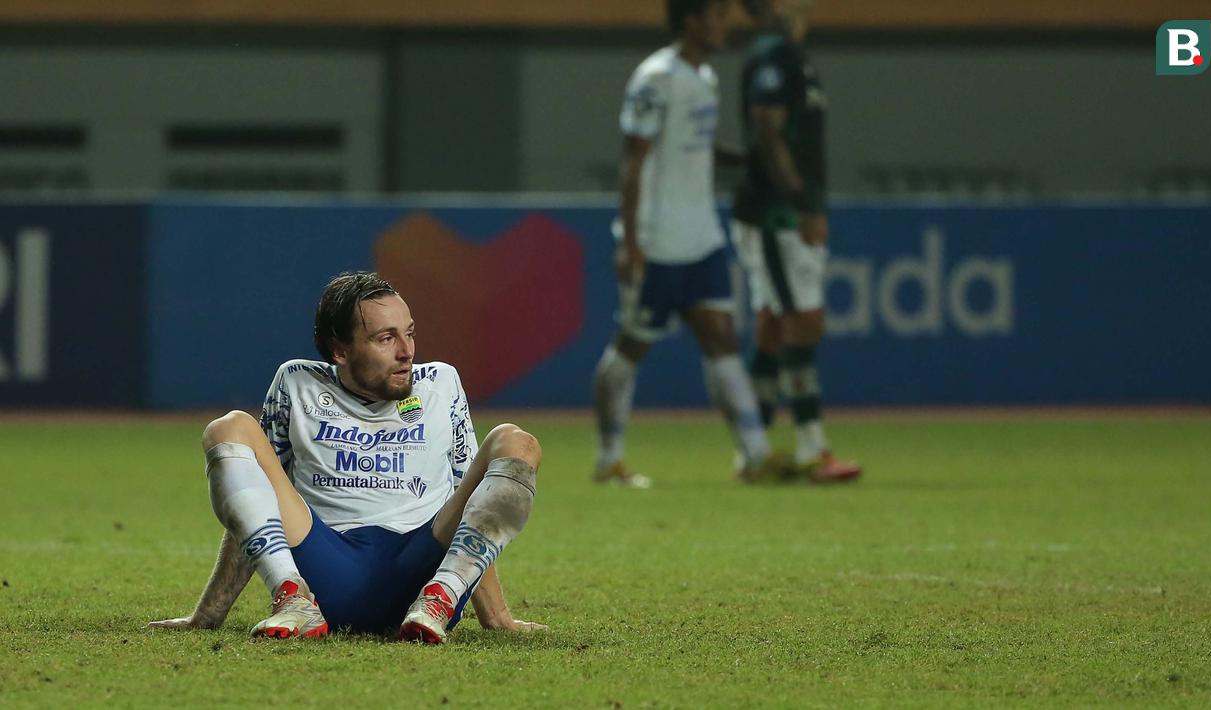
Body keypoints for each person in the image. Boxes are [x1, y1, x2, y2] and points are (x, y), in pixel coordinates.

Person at [149, 271, 544, 643]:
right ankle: (291, 597)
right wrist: (209, 614)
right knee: (229, 428)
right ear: (340, 350)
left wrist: (496, 616)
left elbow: (475, 505)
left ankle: (442, 595)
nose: (406, 352)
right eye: (386, 338)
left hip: (423, 573)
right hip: (325, 571)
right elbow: (254, 501)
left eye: (409, 333)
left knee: (515, 443)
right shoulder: (297, 383)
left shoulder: (441, 384)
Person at [593, 0, 790, 488]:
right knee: (631, 345)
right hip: (657, 240)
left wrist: (746, 159)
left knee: (722, 339)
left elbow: (695, 144)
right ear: (690, 21)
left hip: (701, 236)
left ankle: (756, 454)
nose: (725, 25)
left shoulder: (705, 78)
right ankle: (609, 459)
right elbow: (633, 159)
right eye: (716, 16)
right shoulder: (656, 77)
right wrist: (631, 242)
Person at [731, 0, 860, 482]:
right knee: (802, 321)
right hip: (776, 215)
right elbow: (767, 128)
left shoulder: (788, 55)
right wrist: (802, 201)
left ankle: (754, 453)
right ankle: (811, 447)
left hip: (778, 212)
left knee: (772, 325)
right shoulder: (775, 57)